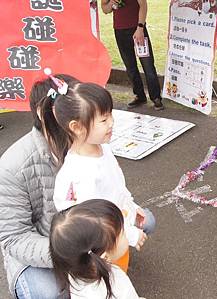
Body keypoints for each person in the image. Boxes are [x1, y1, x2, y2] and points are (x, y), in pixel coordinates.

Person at [39, 77, 156, 257]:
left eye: (110, 114)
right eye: (103, 120)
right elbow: (95, 220)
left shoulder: (103, 148)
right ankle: (108, 259)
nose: (111, 123)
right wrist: (130, 235)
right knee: (111, 267)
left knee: (148, 221)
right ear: (77, 127)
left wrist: (132, 207)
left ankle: (117, 252)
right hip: (97, 232)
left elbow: (117, 186)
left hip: (115, 215)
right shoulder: (81, 174)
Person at [0, 74, 78, 299]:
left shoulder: (86, 143)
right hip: (41, 243)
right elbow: (14, 236)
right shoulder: (12, 166)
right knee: (47, 293)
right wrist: (69, 254)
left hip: (78, 233)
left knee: (144, 222)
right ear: (45, 116)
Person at [50, 199, 145, 299]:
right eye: (123, 233)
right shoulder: (117, 285)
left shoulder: (76, 273)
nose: (126, 234)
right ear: (105, 256)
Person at [101, 0, 164, 110]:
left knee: (148, 65)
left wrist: (140, 27)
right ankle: (139, 96)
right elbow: (105, 9)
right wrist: (111, 3)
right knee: (130, 66)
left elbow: (143, 5)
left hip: (137, 29)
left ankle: (156, 97)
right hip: (119, 30)